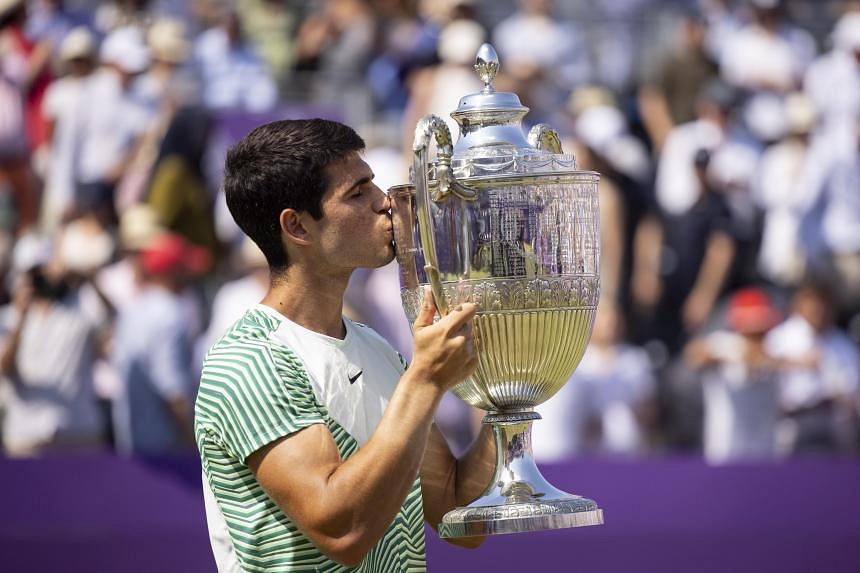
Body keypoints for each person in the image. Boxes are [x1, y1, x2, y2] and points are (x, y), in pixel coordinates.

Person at [195, 119, 495, 571]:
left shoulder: (377, 349)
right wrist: (426, 380)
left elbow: (459, 513)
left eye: (374, 183)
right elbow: (342, 531)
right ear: (297, 227)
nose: (385, 203)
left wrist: (514, 382)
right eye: (358, 193)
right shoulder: (248, 361)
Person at [684, 286, 783, 464]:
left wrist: (767, 361)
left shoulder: (778, 345)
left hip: (765, 449)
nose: (757, 333)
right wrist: (730, 358)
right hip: (725, 448)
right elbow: (694, 355)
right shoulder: (724, 343)